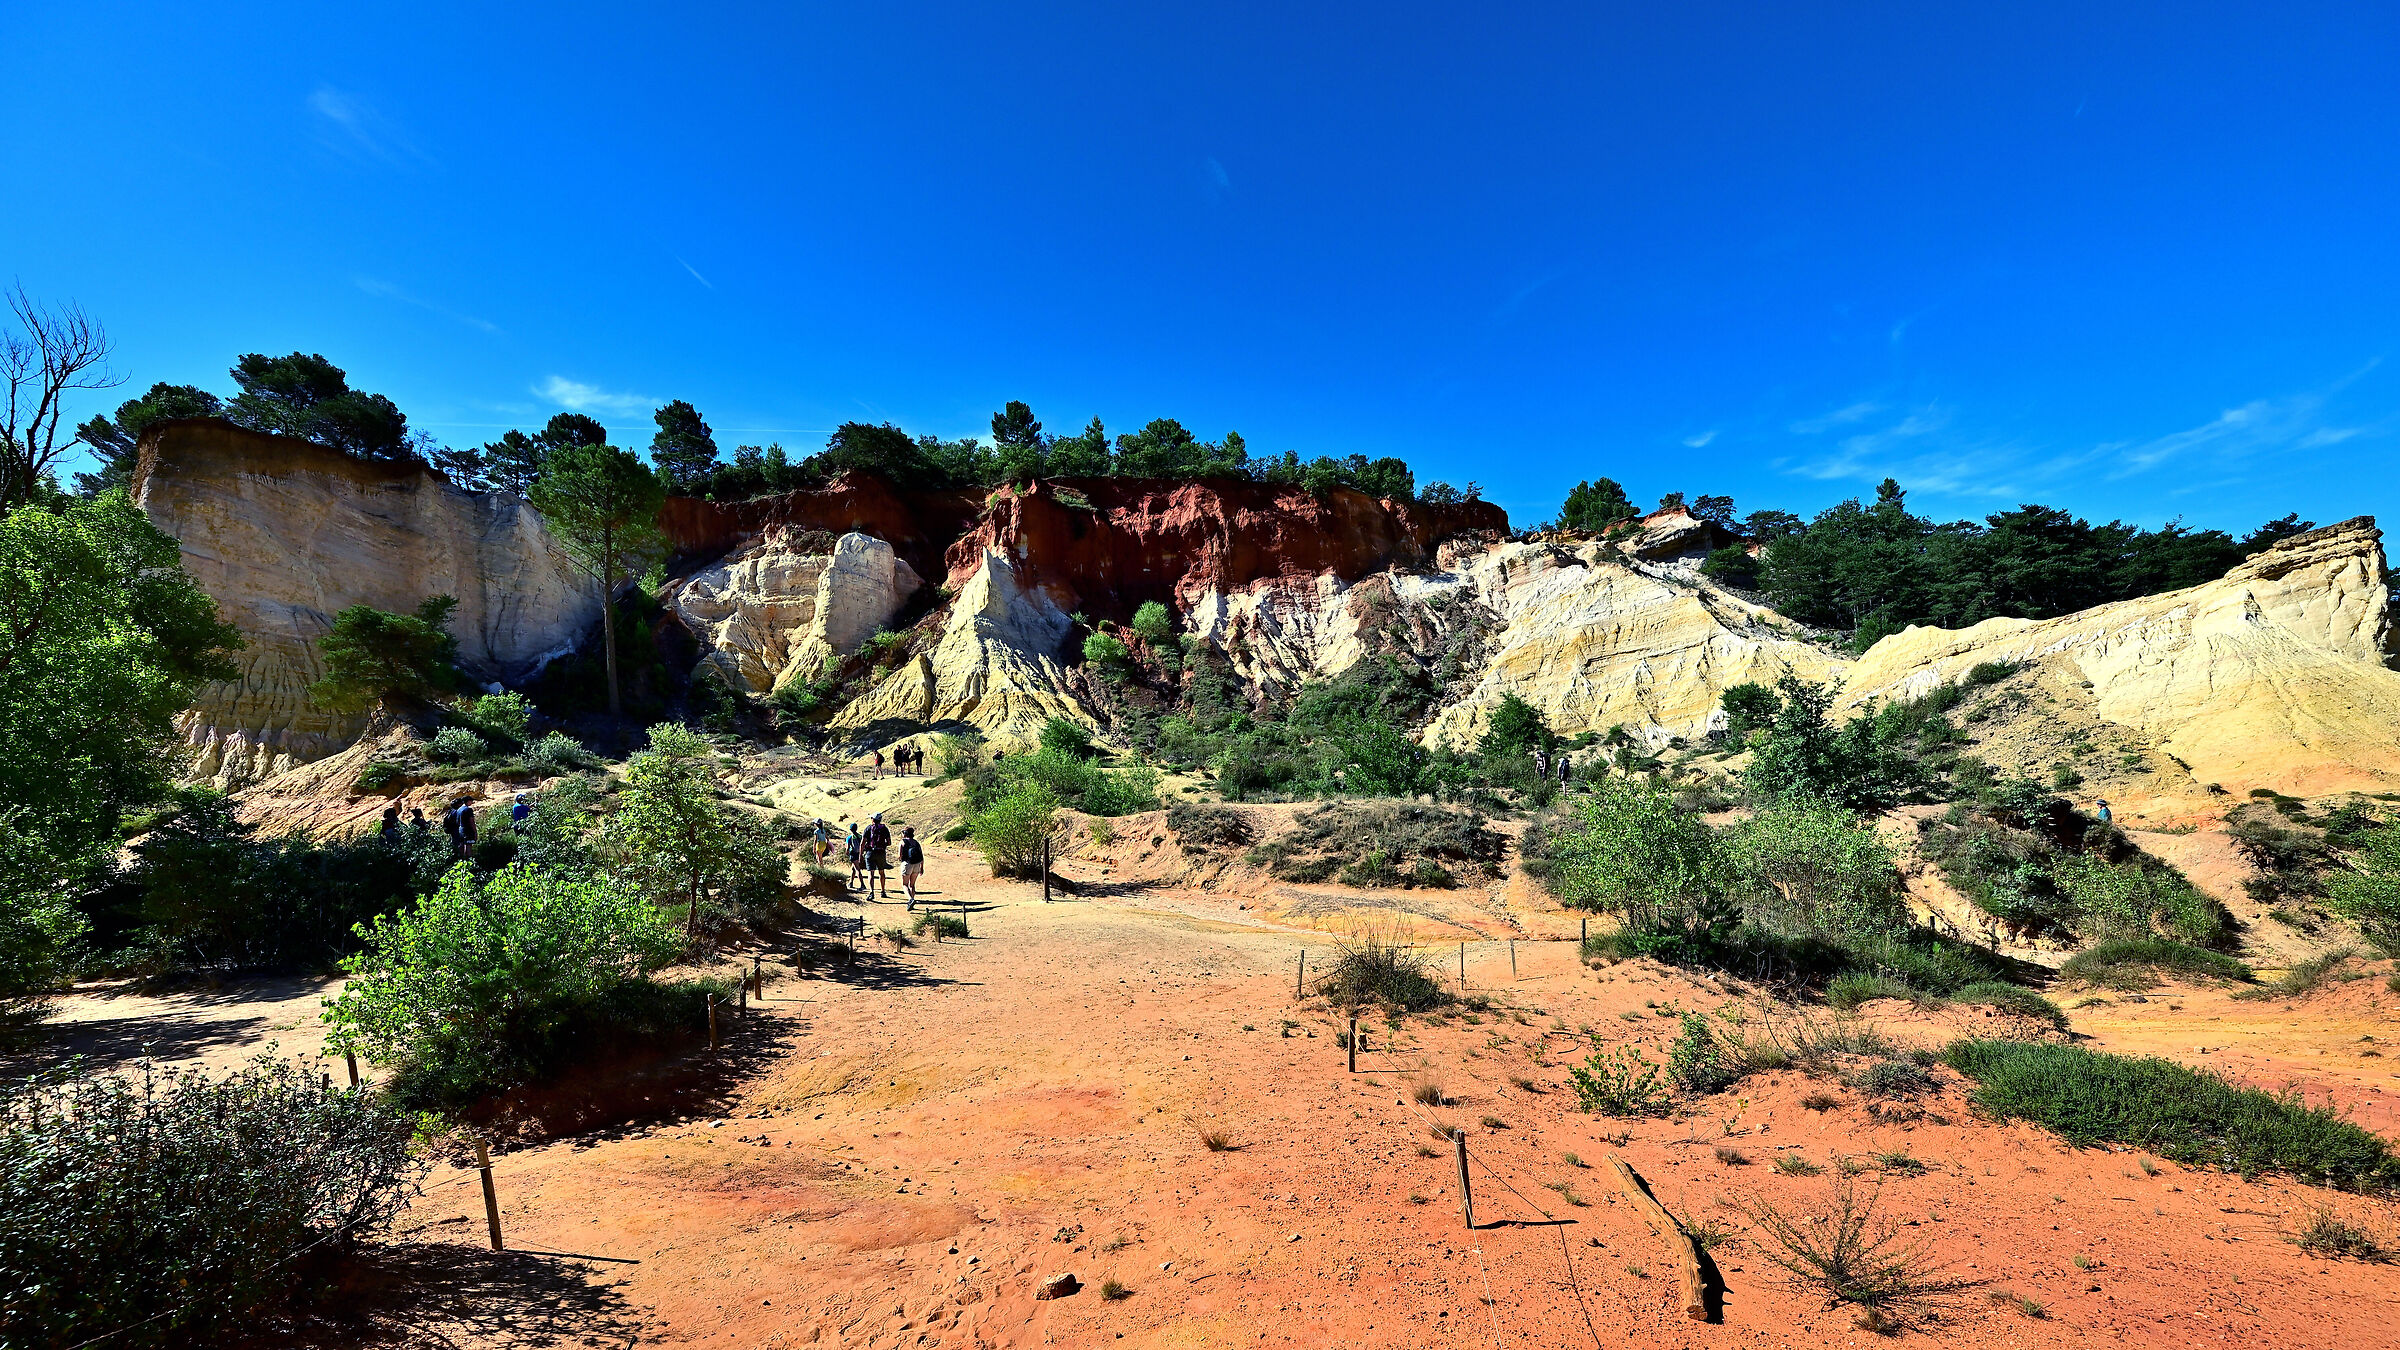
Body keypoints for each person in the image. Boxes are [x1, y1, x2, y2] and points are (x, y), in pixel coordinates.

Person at [864, 813, 893, 899]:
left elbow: (863, 842)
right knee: (882, 872)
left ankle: (871, 892)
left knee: (871, 873)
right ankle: (883, 891)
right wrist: (882, 845)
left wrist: (861, 853)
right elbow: (889, 842)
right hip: (881, 853)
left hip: (870, 852)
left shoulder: (868, 828)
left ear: (872, 819)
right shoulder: (884, 828)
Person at [898, 826, 925, 908]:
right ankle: (912, 900)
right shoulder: (916, 842)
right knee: (912, 885)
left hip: (907, 864)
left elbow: (899, 856)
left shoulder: (903, 842)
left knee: (905, 884)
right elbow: (921, 856)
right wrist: (921, 867)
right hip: (916, 864)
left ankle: (910, 899)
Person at [845, 822, 865, 888]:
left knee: (857, 869)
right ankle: (851, 883)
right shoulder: (860, 836)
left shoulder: (849, 838)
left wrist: (847, 852)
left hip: (853, 854)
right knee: (853, 869)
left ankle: (862, 884)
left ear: (850, 829)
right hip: (859, 854)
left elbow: (847, 847)